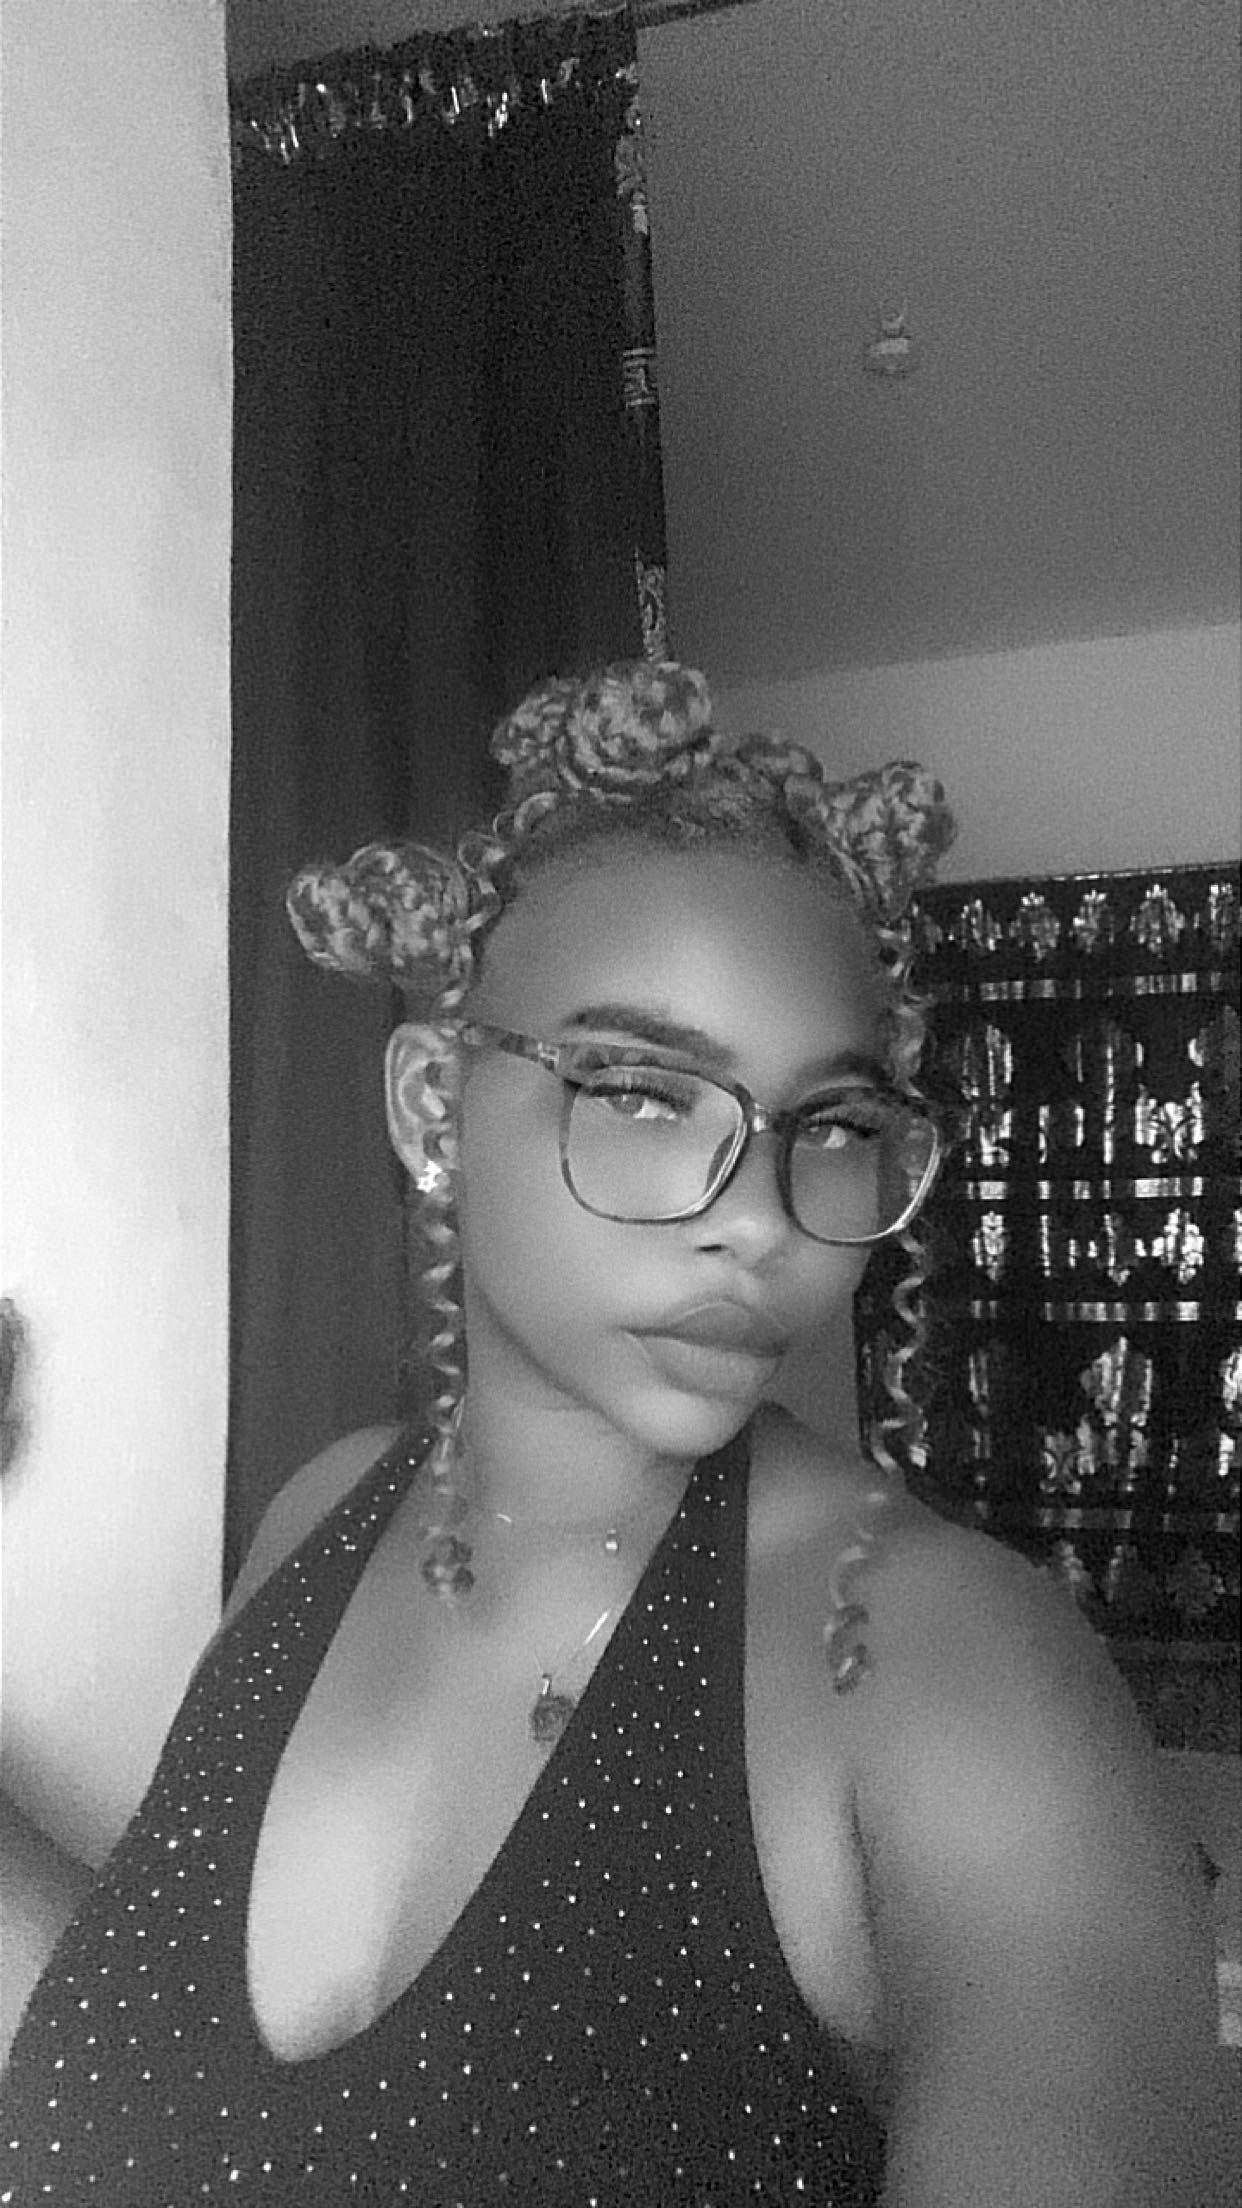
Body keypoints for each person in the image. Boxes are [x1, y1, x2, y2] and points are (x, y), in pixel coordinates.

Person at [0, 662, 1222, 2205]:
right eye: (645, 1094)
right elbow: (155, 2074)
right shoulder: (317, 1517)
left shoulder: (951, 1666)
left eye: (834, 1126)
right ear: (433, 1110)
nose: (760, 1220)